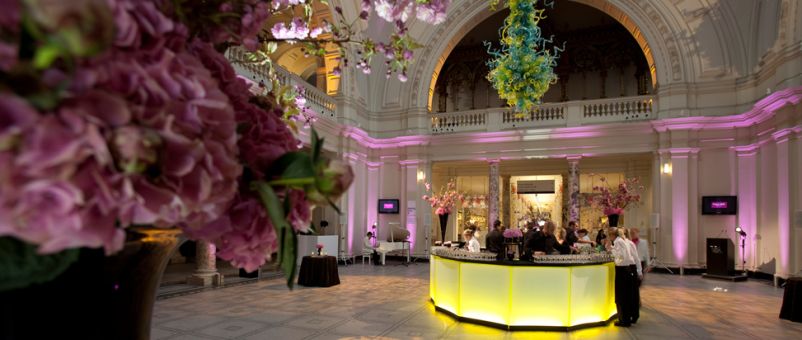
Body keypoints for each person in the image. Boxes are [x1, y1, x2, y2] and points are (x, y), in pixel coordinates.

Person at [606, 227, 640, 327]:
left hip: (622, 270)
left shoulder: (618, 242)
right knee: (625, 296)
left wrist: (610, 250)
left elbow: (621, 258)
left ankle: (624, 320)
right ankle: (626, 318)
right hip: (626, 270)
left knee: (621, 296)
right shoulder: (621, 241)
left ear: (612, 235)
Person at [622, 227, 643, 324]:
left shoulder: (630, 244)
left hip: (631, 269)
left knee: (632, 294)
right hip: (628, 269)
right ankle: (632, 315)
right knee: (630, 294)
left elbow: (636, 258)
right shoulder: (623, 244)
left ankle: (634, 315)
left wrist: (639, 272)